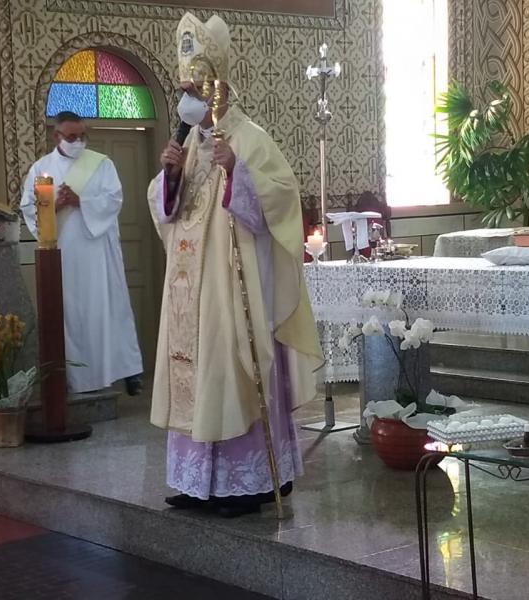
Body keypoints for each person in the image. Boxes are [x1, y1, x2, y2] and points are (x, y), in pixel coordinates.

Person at [147, 13, 323, 518]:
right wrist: (169, 177)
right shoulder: (189, 146)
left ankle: (247, 484)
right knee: (195, 375)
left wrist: (238, 173)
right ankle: (196, 482)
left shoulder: (249, 138)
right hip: (190, 293)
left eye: (193, 89)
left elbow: (284, 200)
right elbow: (167, 212)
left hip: (233, 288)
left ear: (216, 88)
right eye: (182, 90)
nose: (186, 98)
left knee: (231, 371)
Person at [21, 111, 144, 396]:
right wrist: (57, 204)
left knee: (108, 310)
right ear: (57, 136)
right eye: (72, 137)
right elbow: (28, 209)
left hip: (97, 250)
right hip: (63, 254)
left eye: (82, 135)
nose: (78, 141)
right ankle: (76, 378)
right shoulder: (41, 169)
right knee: (71, 315)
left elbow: (114, 199)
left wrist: (81, 201)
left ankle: (124, 372)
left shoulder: (101, 164)